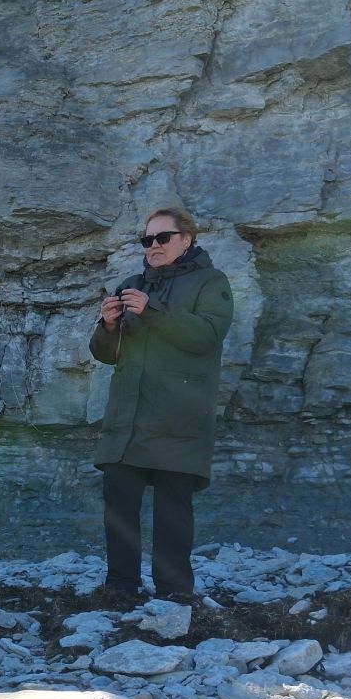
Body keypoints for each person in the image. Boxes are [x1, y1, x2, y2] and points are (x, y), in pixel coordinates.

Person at [90, 205, 233, 609]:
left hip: (179, 416)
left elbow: (208, 335)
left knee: (172, 511)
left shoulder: (211, 282)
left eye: (162, 238)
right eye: (147, 240)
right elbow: (107, 355)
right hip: (128, 417)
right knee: (120, 507)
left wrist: (151, 311)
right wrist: (110, 326)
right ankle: (120, 588)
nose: (153, 246)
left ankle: (174, 594)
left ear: (186, 239)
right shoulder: (132, 283)